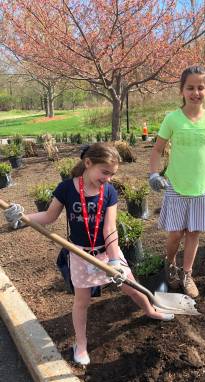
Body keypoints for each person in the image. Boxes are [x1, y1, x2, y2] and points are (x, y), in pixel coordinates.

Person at [4, 142, 174, 366]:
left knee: (131, 286)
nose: (109, 178)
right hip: (80, 255)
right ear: (88, 163)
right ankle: (81, 344)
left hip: (106, 253)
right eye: (105, 172)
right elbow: (48, 217)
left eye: (112, 174)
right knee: (82, 302)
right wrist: (21, 217)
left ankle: (150, 309)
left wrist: (116, 262)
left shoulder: (109, 192)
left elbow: (109, 228)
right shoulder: (66, 189)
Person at [148, 65, 205, 299]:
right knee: (176, 233)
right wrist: (154, 174)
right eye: (190, 88)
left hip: (202, 186)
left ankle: (187, 274)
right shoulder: (172, 119)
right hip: (176, 184)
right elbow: (157, 150)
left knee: (193, 232)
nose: (196, 92)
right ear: (182, 90)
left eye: (200, 88)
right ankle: (170, 262)